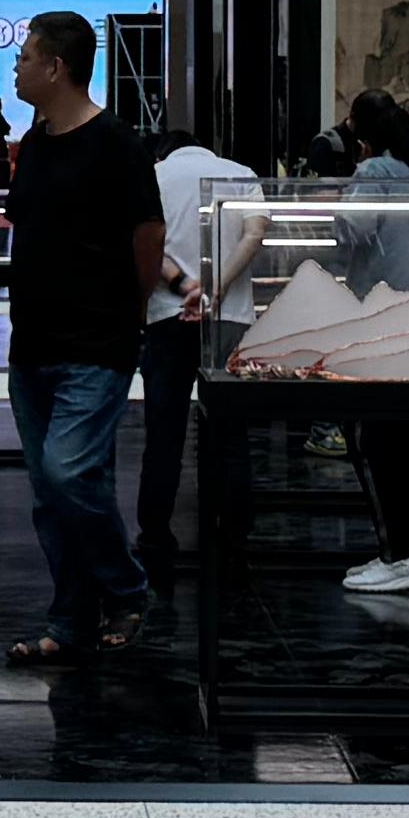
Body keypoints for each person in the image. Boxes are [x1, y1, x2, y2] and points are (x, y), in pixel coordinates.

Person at [0, 7, 171, 668]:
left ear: (55, 67)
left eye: (24, 58)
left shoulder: (117, 144)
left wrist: (131, 309)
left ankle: (126, 589)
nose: (17, 69)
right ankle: (70, 621)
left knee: (68, 473)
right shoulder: (37, 140)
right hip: (32, 343)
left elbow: (147, 234)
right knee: (54, 494)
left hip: (96, 342)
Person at [331, 86, 409, 598]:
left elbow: (352, 231)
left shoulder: (374, 172)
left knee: (377, 440)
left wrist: (335, 203)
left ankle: (397, 554)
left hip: (380, 318)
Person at [135, 120, 254, 578]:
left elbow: (146, 242)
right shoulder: (240, 173)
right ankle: (235, 534)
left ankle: (155, 533)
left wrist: (186, 285)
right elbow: (256, 233)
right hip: (231, 318)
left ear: (164, 152)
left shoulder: (154, 177)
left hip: (168, 316)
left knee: (163, 433)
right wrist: (216, 288)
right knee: (231, 434)